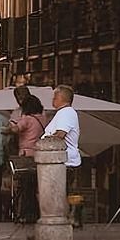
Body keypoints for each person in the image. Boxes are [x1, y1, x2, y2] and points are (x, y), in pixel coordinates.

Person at [43, 85, 82, 228]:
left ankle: (63, 220)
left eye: (55, 97)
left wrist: (45, 139)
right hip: (57, 160)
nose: (53, 100)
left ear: (62, 98)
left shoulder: (67, 113)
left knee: (61, 193)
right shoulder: (61, 113)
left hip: (65, 160)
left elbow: (60, 134)